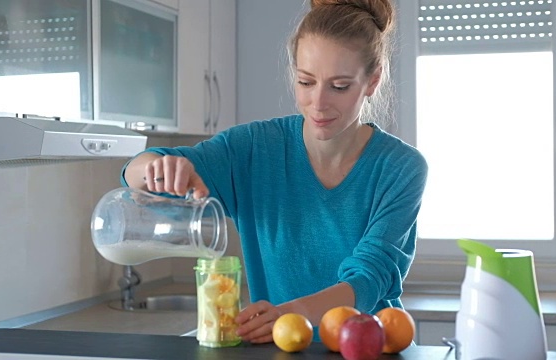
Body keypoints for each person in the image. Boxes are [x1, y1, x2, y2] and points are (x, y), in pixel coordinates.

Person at [122, 0, 428, 344]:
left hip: (369, 348)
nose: (319, 102)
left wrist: (289, 312)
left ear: (372, 81)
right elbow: (138, 171)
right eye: (306, 82)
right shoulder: (254, 148)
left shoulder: (401, 167)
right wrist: (158, 168)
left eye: (339, 86)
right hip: (281, 348)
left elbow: (369, 279)